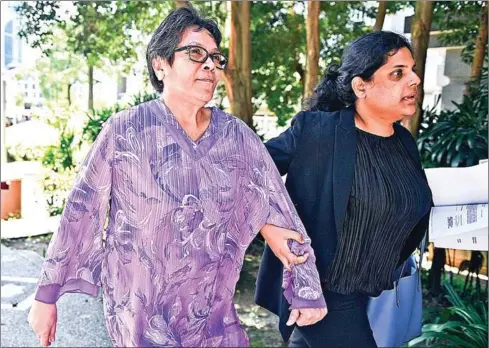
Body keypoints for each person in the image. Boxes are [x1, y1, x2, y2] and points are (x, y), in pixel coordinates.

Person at [28, 7, 327, 348]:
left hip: (213, 319)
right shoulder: (126, 131)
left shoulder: (237, 138)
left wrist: (305, 287)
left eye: (216, 58)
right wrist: (46, 296)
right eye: (196, 54)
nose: (210, 66)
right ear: (161, 64)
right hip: (140, 320)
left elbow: (273, 209)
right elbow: (81, 210)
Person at [255, 31, 433, 348]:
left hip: (369, 291)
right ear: (360, 86)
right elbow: (245, 176)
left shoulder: (404, 143)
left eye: (413, 70)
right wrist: (271, 227)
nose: (415, 80)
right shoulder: (316, 131)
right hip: (323, 290)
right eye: (398, 73)